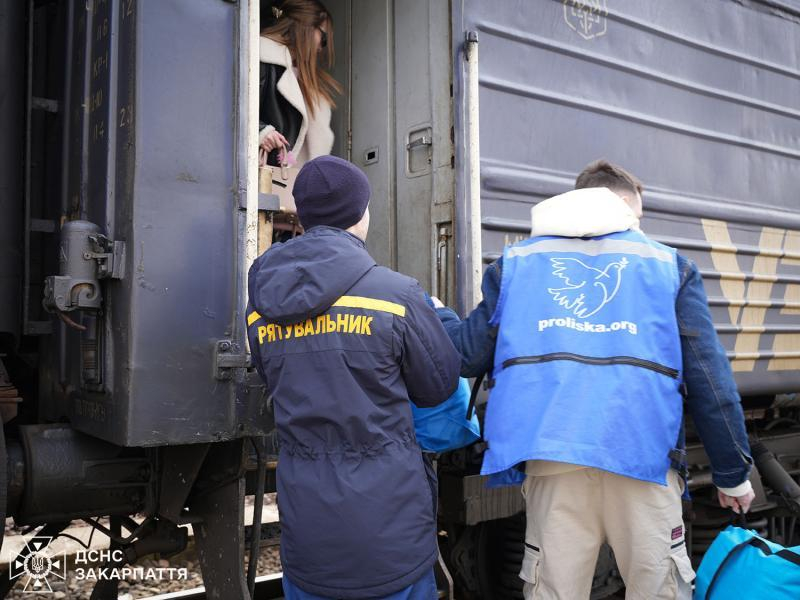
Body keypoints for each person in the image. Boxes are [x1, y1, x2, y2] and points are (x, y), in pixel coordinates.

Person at [433, 160, 755, 600]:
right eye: (637, 219)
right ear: (618, 205)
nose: (637, 232)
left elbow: (466, 355)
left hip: (553, 461)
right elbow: (711, 382)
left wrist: (437, 316)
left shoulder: (516, 265)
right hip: (644, 463)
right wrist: (732, 474)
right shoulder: (667, 266)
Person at [246, 155, 461, 599]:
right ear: (361, 214)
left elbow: (271, 382)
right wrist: (440, 317)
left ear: (301, 217)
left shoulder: (261, 304)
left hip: (308, 537)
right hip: (391, 536)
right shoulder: (396, 295)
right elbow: (439, 386)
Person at [259, 0, 341, 167]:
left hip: (296, 184)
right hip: (267, 179)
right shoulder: (262, 57)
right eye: (323, 38)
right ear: (306, 27)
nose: (321, 48)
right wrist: (260, 132)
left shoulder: (308, 83)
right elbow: (232, 112)